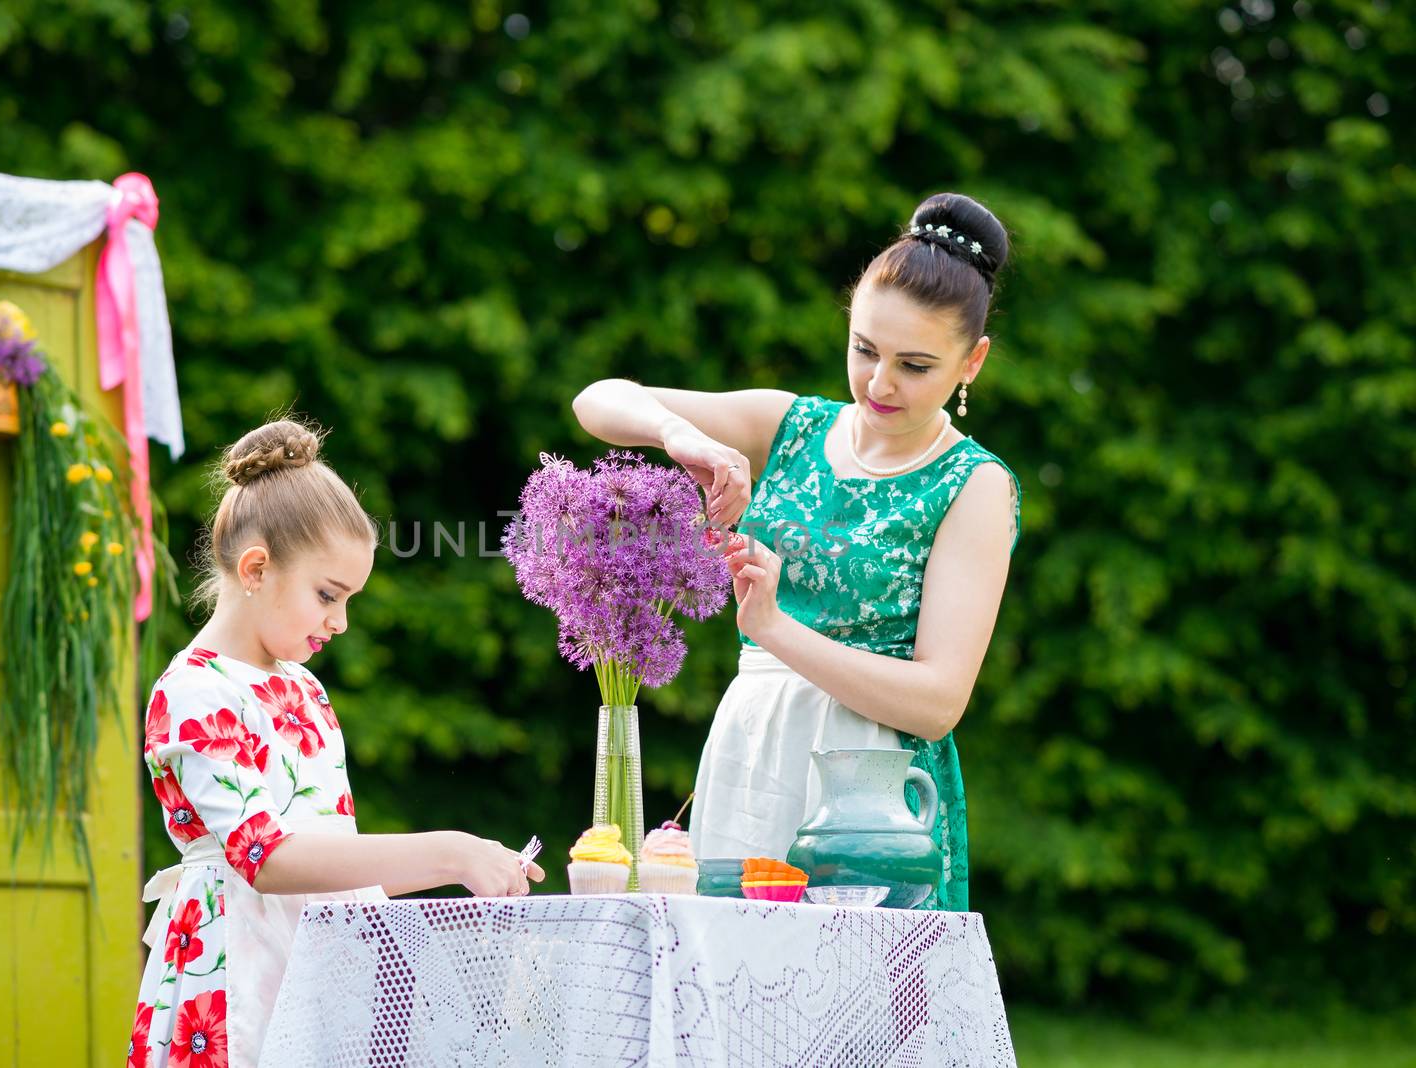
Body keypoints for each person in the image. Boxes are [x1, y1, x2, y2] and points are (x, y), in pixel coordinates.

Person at [571, 193, 1021, 911]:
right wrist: (679, 435)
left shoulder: (974, 485)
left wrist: (776, 629)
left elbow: (938, 702)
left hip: (872, 787)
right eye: (865, 349)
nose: (879, 382)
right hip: (754, 745)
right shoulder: (791, 425)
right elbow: (598, 399)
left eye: (915, 365)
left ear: (972, 362)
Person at [126, 418, 544, 1068]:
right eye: (328, 595)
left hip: (320, 971)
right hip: (232, 979)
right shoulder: (194, 692)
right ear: (257, 568)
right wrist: (448, 852)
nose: (341, 621)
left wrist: (465, 871)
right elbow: (265, 860)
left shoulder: (307, 694)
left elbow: (340, 865)